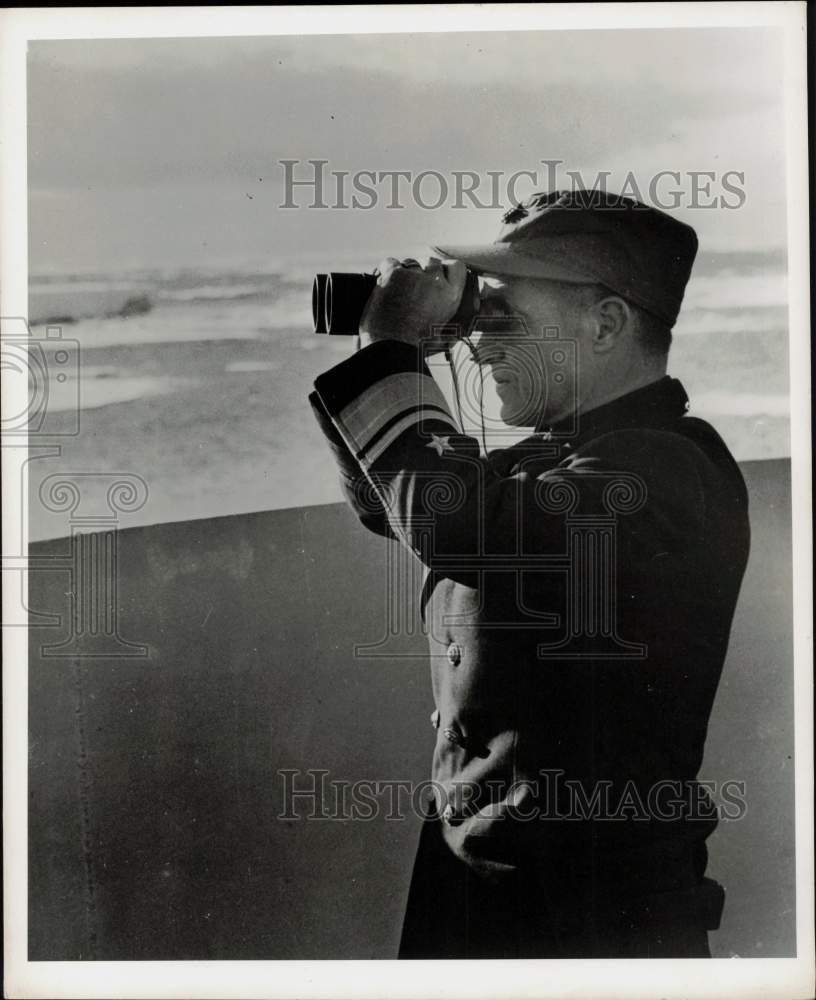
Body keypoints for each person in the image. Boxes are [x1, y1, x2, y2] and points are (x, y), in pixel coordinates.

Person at [309, 188, 751, 958]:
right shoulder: (554, 457)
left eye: (503, 318)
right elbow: (394, 507)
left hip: (592, 921)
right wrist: (388, 356)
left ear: (606, 323)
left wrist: (393, 357)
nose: (479, 346)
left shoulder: (668, 471)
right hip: (484, 891)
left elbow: (451, 519)